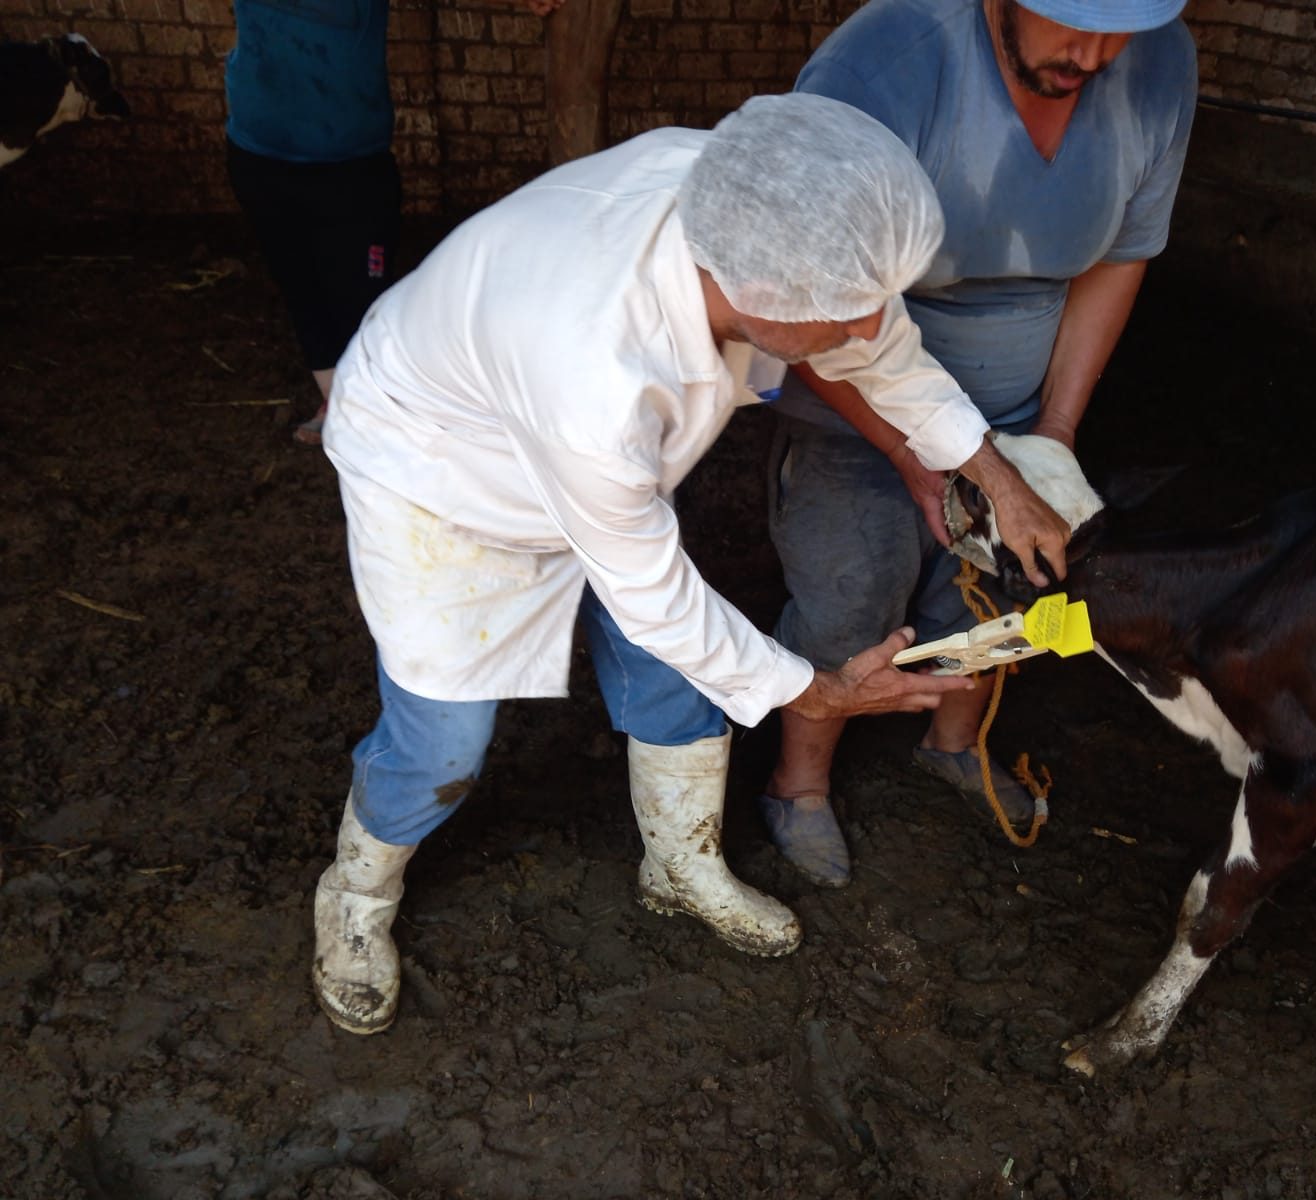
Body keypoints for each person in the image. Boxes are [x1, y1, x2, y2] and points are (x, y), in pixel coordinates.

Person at [311, 92, 1073, 1035]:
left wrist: (997, 475)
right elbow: (657, 595)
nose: (874, 327)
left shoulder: (745, 201)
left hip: (581, 447)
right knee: (445, 744)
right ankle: (357, 894)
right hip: (440, 471)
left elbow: (876, 347)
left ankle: (682, 864)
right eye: (849, 312)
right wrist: (819, 690)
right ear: (757, 295)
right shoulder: (598, 370)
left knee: (680, 676)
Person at [759, 0, 1198, 886]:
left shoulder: (1158, 65)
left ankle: (953, 744)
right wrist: (905, 450)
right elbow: (792, 304)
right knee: (854, 590)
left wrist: (1053, 439)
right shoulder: (882, 67)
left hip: (1019, 401)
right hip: (857, 397)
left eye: (1126, 28)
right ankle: (796, 782)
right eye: (1072, 18)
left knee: (1017, 587)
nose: (1098, 52)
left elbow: (1121, 258)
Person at [224, 0, 404, 445]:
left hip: (351, 160)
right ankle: (337, 404)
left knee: (364, 301)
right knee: (301, 287)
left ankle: (382, 412)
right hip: (259, 150)